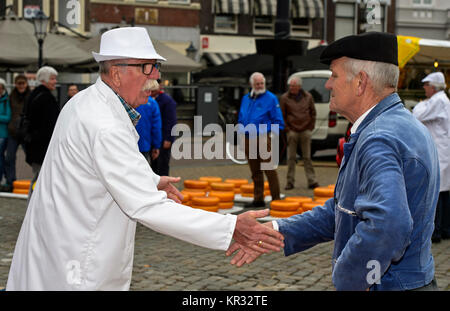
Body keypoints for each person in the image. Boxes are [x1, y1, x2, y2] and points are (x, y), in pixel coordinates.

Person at [6, 27, 284, 291]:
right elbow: (147, 207)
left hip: (62, 249)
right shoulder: (104, 124)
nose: (156, 77)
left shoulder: (86, 103)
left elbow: (99, 166)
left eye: (156, 67)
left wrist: (152, 180)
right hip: (77, 262)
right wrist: (231, 226)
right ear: (116, 72)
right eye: (147, 67)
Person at [227, 32, 440, 291]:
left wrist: (347, 277)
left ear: (360, 82)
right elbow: (343, 210)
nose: (328, 85)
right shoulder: (400, 124)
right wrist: (274, 229)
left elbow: (388, 226)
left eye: (334, 76)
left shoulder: (379, 138)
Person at [412, 71, 450, 243]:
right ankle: (445, 228)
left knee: (439, 191)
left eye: (426, 86)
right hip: (442, 150)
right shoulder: (441, 100)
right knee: (444, 191)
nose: (424, 89)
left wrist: (421, 105)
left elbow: (417, 115)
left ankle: (438, 230)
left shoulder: (438, 101)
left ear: (433, 87)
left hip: (440, 151)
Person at [238, 72, 285, 208]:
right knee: (255, 172)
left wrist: (269, 135)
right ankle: (258, 199)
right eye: (257, 84)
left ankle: (276, 199)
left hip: (263, 138)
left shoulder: (271, 99)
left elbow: (278, 121)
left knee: (269, 169)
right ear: (251, 84)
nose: (260, 86)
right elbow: (242, 116)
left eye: (261, 83)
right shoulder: (246, 98)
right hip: (247, 137)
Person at [23, 66, 60, 199]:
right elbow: (50, 126)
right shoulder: (46, 98)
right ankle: (33, 207)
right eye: (52, 78)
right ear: (44, 80)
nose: (55, 81)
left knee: (38, 178)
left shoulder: (34, 95)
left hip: (34, 146)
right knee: (39, 180)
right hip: (42, 148)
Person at [280, 75, 319, 190]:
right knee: (291, 157)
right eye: (290, 86)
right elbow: (282, 115)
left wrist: (310, 127)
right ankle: (290, 182)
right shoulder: (284, 98)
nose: (291, 88)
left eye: (293, 86)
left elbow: (313, 112)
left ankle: (312, 181)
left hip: (305, 130)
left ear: (299, 86)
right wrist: (287, 129)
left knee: (307, 157)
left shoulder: (308, 97)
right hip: (292, 131)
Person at [1, 75, 30, 192]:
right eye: (19, 83)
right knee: (9, 157)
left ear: (26, 84)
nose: (21, 86)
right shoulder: (11, 96)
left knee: (31, 159)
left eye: (23, 83)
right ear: (16, 84)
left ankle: (37, 179)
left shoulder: (30, 96)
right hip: (13, 132)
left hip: (25, 132)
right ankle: (11, 181)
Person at [150, 80, 177, 176]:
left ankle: (164, 188)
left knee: (162, 165)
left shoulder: (167, 101)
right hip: (154, 139)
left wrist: (168, 139)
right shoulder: (148, 99)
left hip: (164, 138)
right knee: (153, 166)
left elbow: (171, 121)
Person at [136, 84, 162, 165]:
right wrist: (156, 146)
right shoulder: (152, 103)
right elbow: (156, 128)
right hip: (144, 145)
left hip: (126, 145)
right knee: (144, 173)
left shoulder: (126, 100)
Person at [0, 78, 11, 187]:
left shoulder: (6, 101)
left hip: (2, 134)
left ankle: (2, 177)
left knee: (0, 157)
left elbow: (7, 117)